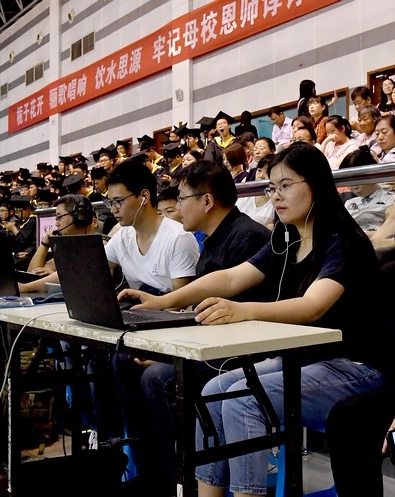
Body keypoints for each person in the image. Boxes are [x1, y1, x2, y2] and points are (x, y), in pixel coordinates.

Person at [119, 142, 386, 497]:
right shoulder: (286, 237)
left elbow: (312, 306)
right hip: (301, 360)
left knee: (243, 399)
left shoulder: (343, 241)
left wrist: (245, 310)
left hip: (352, 367)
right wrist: (162, 301)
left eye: (286, 185)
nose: (277, 196)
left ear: (317, 184)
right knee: (212, 392)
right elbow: (231, 278)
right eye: (272, 188)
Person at [115, 160, 270, 494]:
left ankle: (182, 479)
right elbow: (201, 310)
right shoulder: (213, 239)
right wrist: (159, 305)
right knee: (124, 361)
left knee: (159, 378)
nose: (177, 207)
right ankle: (150, 471)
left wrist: (170, 353)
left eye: (182, 199)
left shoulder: (247, 238)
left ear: (207, 201)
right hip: (214, 343)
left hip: (241, 353)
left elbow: (232, 321)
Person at [105, 159, 199, 295]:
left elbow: (182, 301)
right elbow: (93, 268)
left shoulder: (178, 238)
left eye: (119, 201)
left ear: (144, 196)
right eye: (111, 202)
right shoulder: (122, 237)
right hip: (138, 307)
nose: (113, 209)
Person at [342, 147, 395, 233]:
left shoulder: (390, 199)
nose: (354, 187)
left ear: (371, 174)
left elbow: (390, 231)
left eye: (357, 180)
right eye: (348, 182)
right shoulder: (349, 203)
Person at [237, 155, 276, 228]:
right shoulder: (246, 196)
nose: (261, 176)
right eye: (259, 170)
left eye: (267, 172)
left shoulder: (277, 201)